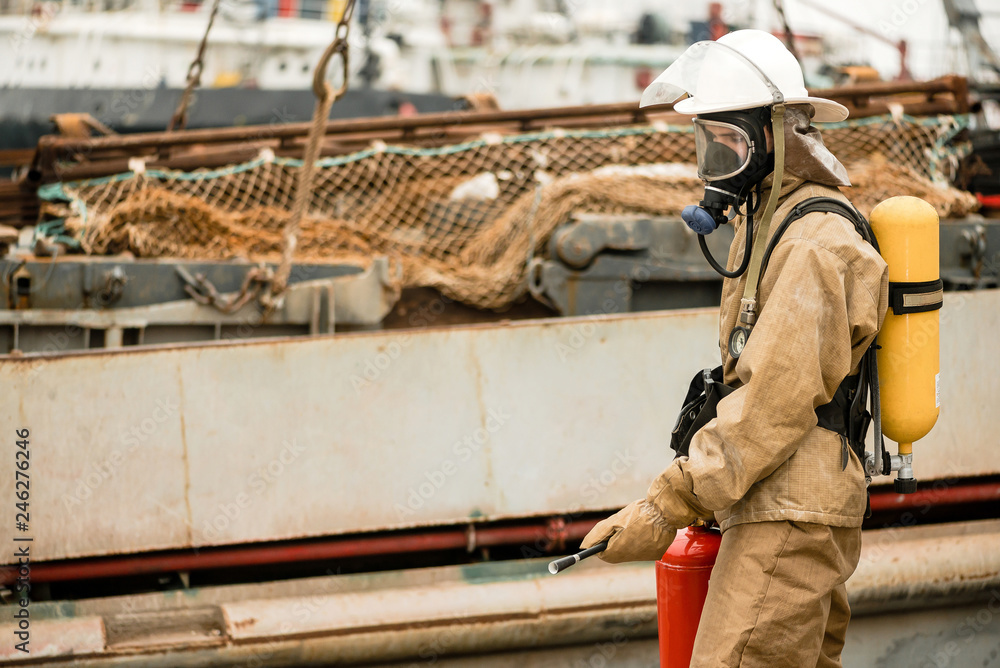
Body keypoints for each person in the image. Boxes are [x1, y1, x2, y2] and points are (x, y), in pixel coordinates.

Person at [581, 30, 889, 668]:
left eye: (730, 143)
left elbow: (771, 405)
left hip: (792, 514)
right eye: (709, 144)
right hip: (781, 505)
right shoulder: (769, 223)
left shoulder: (813, 243)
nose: (717, 162)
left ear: (777, 136)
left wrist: (664, 506)